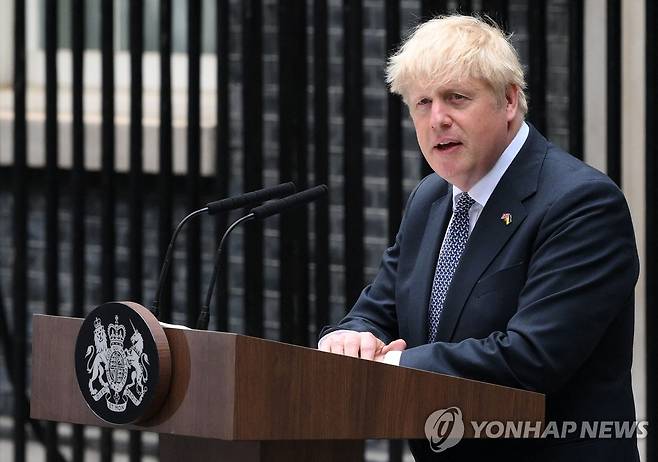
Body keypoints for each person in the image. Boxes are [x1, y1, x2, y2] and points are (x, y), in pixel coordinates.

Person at [318, 15, 639, 462]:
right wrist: (350, 339)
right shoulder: (431, 198)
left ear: (509, 100)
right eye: (422, 103)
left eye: (456, 98)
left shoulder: (581, 203)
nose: (437, 120)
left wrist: (389, 368)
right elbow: (379, 309)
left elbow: (531, 358)